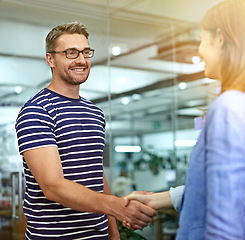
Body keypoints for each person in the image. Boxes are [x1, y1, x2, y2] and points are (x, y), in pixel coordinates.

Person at [125, 0, 245, 239]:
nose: (200, 51)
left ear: (220, 38)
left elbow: (225, 220)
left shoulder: (229, 107)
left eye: (202, 40)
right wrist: (157, 199)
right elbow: (222, 188)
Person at [15, 22, 156, 240]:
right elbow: (52, 187)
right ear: (50, 59)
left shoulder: (95, 113)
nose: (81, 60)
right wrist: (115, 205)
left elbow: (96, 173)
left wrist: (113, 230)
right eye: (71, 53)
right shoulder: (37, 110)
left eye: (85, 52)